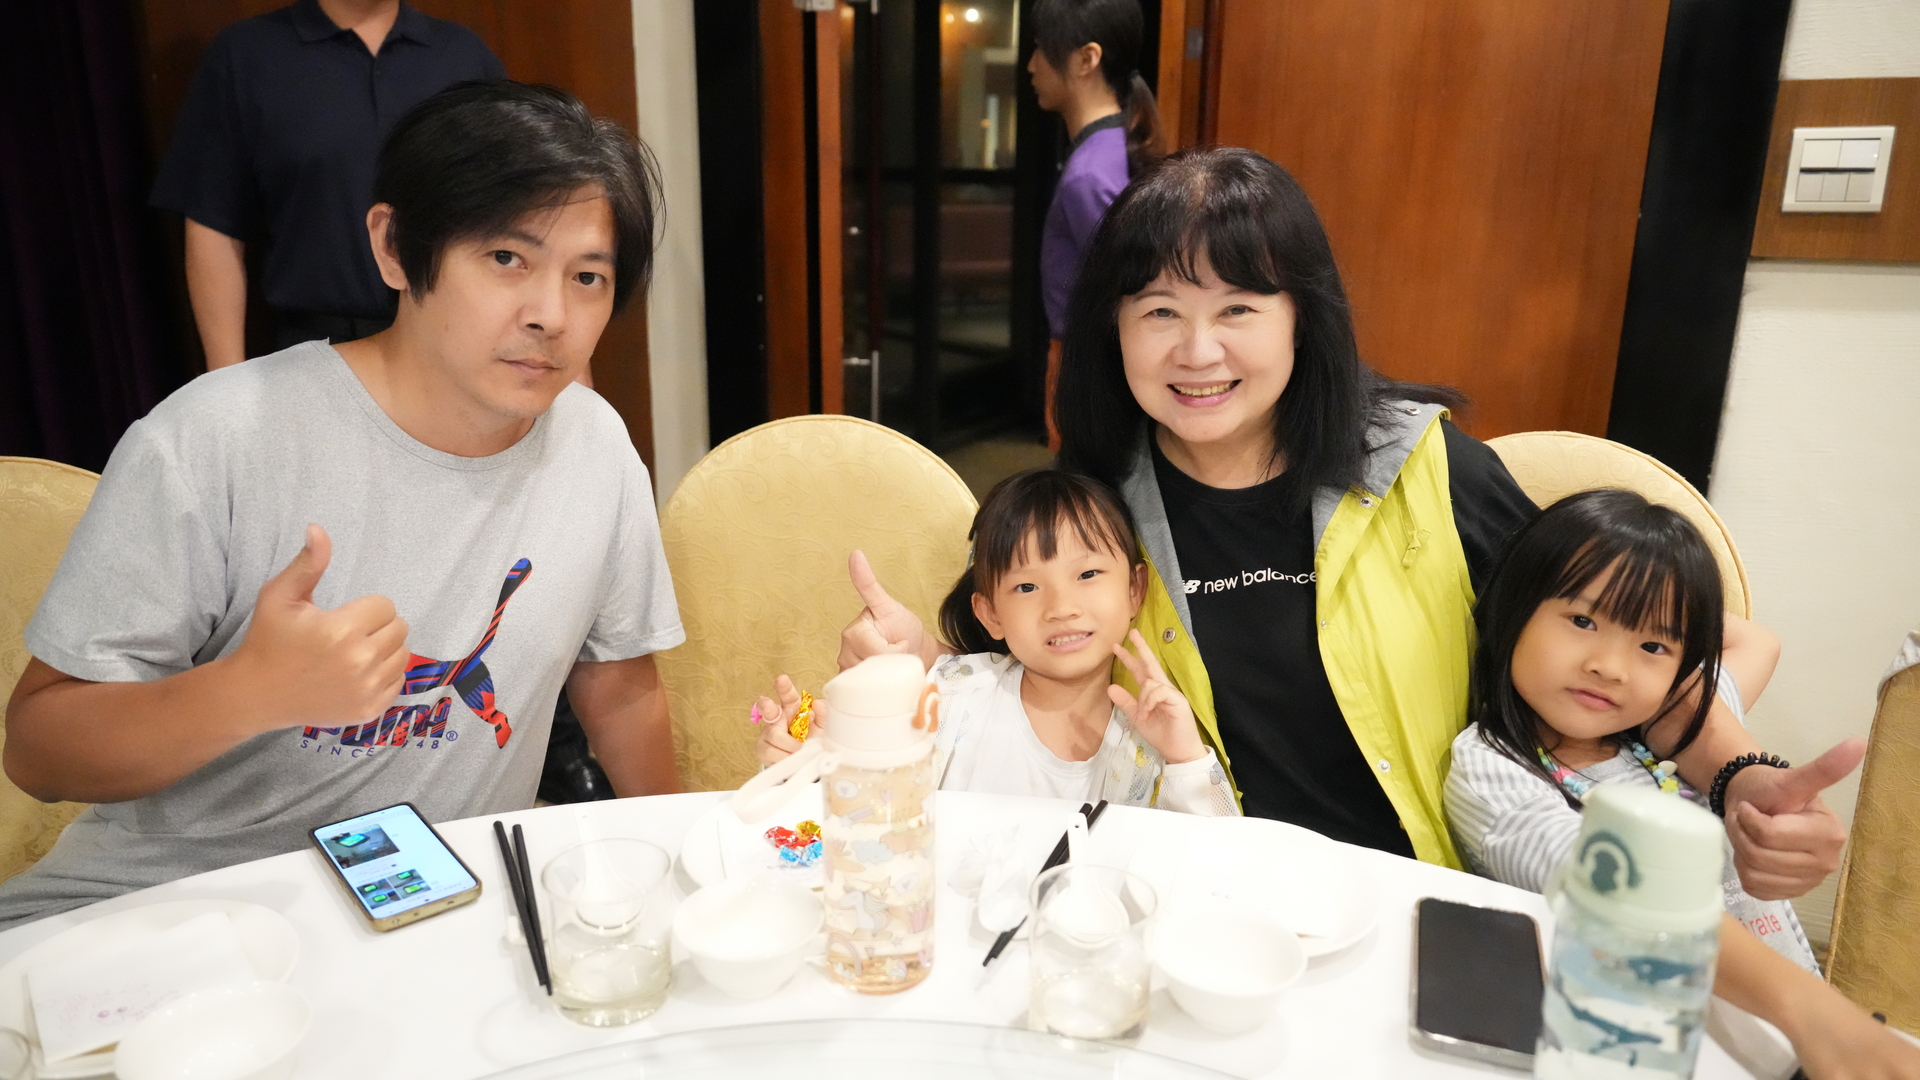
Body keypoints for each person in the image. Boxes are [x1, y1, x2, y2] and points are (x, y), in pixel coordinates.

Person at [839, 147, 1855, 903]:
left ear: (1301, 317)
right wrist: (914, 666)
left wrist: (1740, 775)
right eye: (1158, 312)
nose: (1197, 351)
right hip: (1212, 904)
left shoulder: (1424, 470)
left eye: (1239, 309)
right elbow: (1037, 672)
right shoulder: (1095, 511)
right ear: (1114, 331)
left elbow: (1619, 655)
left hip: (1432, 901)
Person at [0, 82, 680, 927]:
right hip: (171, 907)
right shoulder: (218, 437)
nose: (551, 315)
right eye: (507, 258)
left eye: (588, 277)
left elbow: (619, 690)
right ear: (394, 247)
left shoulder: (595, 446)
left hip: (431, 910)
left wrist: (691, 874)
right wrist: (248, 691)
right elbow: (39, 750)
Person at [1445, 490, 1920, 1080]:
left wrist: (1666, 596)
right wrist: (1816, 1014)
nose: (1610, 667)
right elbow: (1617, 897)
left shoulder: (1669, 726)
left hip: (1807, 1045)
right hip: (1665, 1055)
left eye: (1652, 645)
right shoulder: (1492, 769)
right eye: (1583, 620)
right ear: (1515, 604)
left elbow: (1758, 641)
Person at [757, 470, 1234, 816]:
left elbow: (1218, 862)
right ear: (990, 614)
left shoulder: (1155, 731)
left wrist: (1186, 759)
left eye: (1088, 574)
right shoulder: (948, 698)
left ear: (1134, 589)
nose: (1061, 606)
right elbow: (864, 813)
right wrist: (810, 766)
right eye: (1027, 586)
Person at [151, 0, 504, 365]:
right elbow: (214, 222)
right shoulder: (247, 54)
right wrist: (224, 380)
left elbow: (508, 213)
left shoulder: (463, 54)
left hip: (453, 341)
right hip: (317, 349)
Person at [1028, 0, 1164, 451]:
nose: (1031, 65)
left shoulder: (1088, 174)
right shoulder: (1110, 148)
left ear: (1086, 59)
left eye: (1040, 48)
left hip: (1089, 368)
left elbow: (1134, 289)